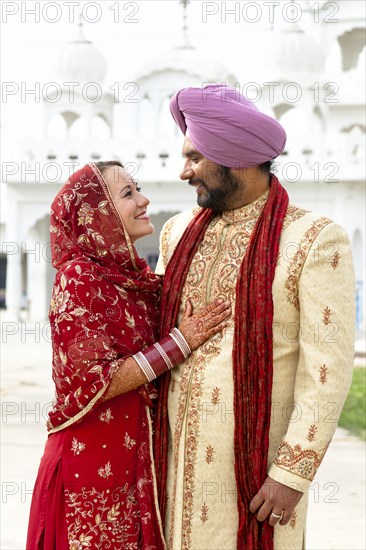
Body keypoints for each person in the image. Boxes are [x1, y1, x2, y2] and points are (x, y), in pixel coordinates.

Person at [153, 84, 356, 550]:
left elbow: (326, 370)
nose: (184, 172)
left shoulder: (314, 239)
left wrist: (292, 472)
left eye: (195, 157)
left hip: (255, 478)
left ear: (234, 156)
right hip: (170, 467)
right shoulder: (177, 232)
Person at [26, 161, 231, 550]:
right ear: (96, 214)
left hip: (133, 459)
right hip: (89, 467)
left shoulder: (135, 280)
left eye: (137, 189)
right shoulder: (78, 279)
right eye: (128, 194)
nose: (144, 200)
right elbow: (94, 381)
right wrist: (180, 343)